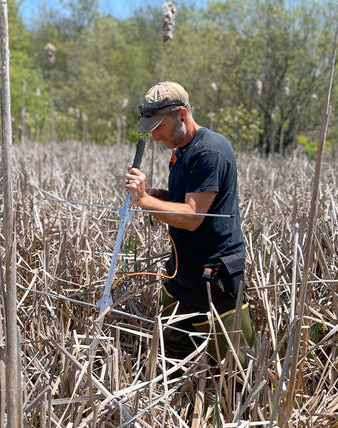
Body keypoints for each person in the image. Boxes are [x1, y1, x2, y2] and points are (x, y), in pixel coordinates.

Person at [125, 81, 255, 367]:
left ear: (181, 114)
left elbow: (193, 217)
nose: (154, 135)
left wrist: (146, 200)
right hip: (182, 271)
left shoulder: (209, 151)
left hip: (216, 275)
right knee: (172, 354)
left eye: (158, 126)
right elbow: (187, 200)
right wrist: (164, 197)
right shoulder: (182, 150)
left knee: (237, 365)